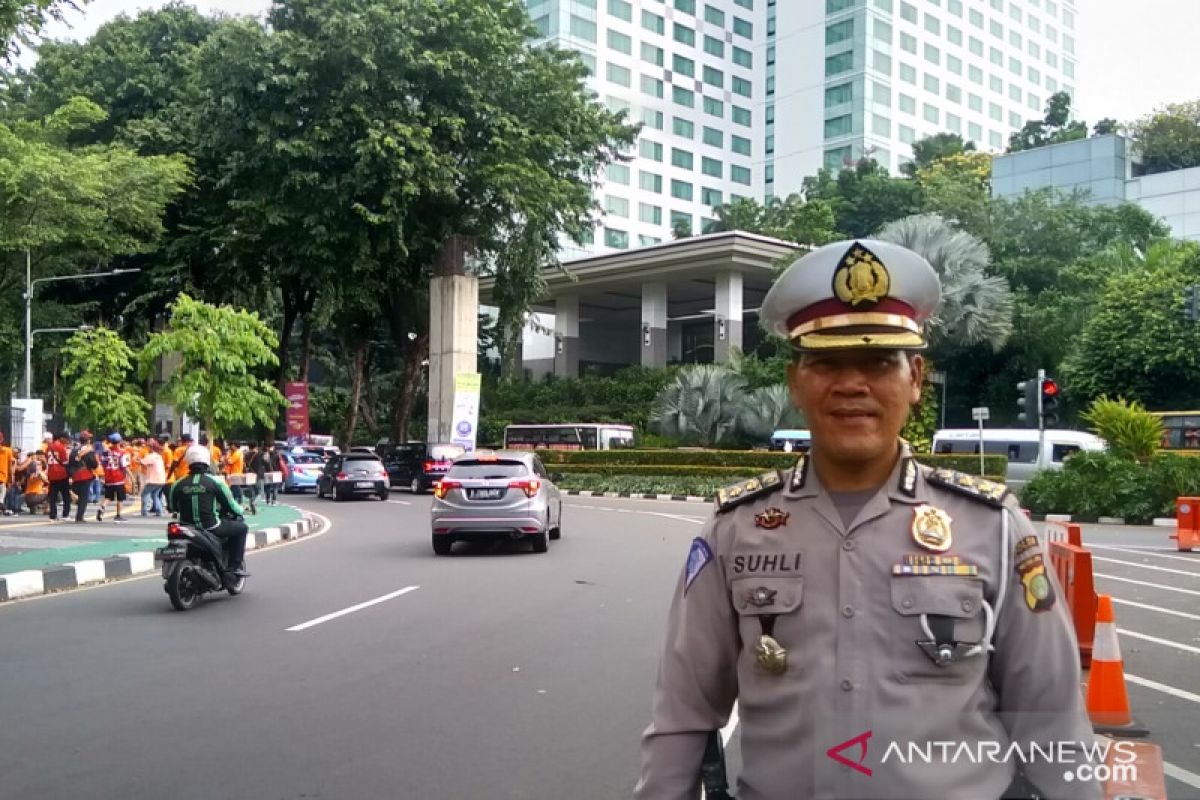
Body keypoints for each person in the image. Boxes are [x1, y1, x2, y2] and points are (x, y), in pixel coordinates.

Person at [635, 240, 1097, 800]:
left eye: (879, 361)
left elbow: (1050, 715)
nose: (852, 384)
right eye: (826, 361)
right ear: (795, 382)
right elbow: (684, 712)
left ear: (917, 378)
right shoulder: (735, 528)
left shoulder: (994, 527)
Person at [166, 445, 249, 578]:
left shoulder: (178, 483)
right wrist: (241, 510)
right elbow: (230, 505)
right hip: (211, 526)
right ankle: (234, 567)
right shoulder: (216, 482)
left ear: (188, 461)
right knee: (242, 528)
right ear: (207, 462)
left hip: (186, 527)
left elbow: (172, 507)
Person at [96, 433, 131, 522]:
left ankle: (102, 507)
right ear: (120, 441)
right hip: (119, 477)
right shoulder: (123, 452)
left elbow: (103, 464)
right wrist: (131, 477)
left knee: (108, 496)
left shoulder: (105, 452)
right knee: (120, 498)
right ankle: (118, 515)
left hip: (108, 477)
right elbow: (124, 466)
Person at [68, 431, 100, 524]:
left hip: (75, 475)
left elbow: (70, 464)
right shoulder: (89, 451)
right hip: (85, 475)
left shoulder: (74, 450)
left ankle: (74, 499)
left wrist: (71, 475)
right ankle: (79, 517)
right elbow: (94, 464)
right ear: (88, 440)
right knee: (84, 497)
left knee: (78, 493)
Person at [45, 433, 72, 520]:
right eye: (66, 439)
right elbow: (64, 462)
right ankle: (65, 514)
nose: (67, 441)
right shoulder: (61, 447)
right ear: (61, 438)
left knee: (53, 496)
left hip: (52, 474)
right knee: (66, 496)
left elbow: (47, 459)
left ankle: (53, 515)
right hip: (62, 474)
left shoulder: (48, 447)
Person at [140, 440, 167, 517]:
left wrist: (137, 459)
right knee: (155, 495)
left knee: (144, 494)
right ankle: (159, 511)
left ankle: (144, 511)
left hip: (153, 480)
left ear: (151, 447)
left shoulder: (151, 456)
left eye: (148, 446)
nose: (147, 448)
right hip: (161, 480)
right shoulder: (158, 456)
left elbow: (142, 462)